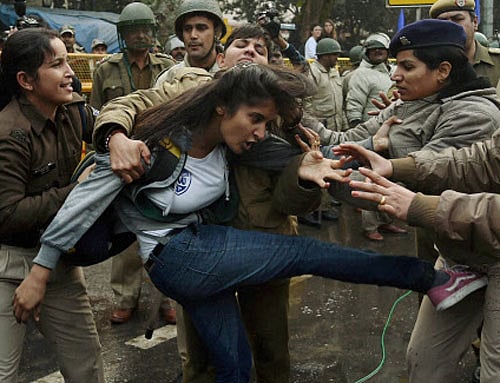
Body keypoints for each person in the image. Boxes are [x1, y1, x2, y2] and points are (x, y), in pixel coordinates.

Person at [12, 63, 485, 383]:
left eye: (266, 122)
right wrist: (41, 270)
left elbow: (321, 169)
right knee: (306, 254)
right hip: (177, 256)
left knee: (235, 366)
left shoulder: (242, 147)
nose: (259, 131)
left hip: (200, 257)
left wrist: (321, 173)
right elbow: (83, 201)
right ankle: (433, 281)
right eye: (254, 118)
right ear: (221, 107)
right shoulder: (152, 143)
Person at [333, 130, 500, 382]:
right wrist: (396, 166)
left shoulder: (471, 112)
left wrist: (427, 208)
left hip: (473, 238)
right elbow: (485, 159)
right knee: (424, 360)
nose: (397, 88)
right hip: (465, 251)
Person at [0, 28, 103, 382]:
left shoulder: (73, 109)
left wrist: (117, 136)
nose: (70, 71)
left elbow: (111, 124)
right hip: (7, 267)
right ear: (26, 81)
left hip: (57, 258)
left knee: (87, 368)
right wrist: (77, 191)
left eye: (68, 61)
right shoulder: (9, 133)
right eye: (57, 64)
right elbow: (8, 215)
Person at [89, 1, 176, 325]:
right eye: (133, 30)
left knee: (164, 229)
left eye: (145, 29)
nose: (140, 35)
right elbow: (97, 114)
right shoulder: (105, 69)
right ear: (123, 35)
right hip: (120, 160)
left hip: (162, 157)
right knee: (125, 231)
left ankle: (166, 297)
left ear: (153, 32)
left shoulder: (167, 66)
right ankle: (125, 298)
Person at [430, 0, 500, 88]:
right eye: (443, 22)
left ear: (475, 22)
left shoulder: (497, 62)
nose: (451, 26)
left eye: (458, 19)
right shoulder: (427, 67)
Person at [155, 0, 227, 84]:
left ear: (217, 33)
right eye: (187, 29)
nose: (193, 35)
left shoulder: (232, 75)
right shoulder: (168, 79)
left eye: (201, 28)